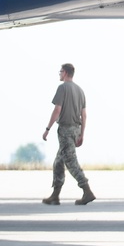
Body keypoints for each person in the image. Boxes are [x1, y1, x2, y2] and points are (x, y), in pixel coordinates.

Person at [41, 62, 95, 206]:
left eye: (60, 71)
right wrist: (82, 134)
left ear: (65, 72)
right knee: (59, 162)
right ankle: (55, 195)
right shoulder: (80, 90)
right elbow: (84, 115)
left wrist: (47, 129)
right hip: (76, 129)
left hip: (65, 130)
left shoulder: (62, 88)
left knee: (70, 162)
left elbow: (57, 110)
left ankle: (87, 190)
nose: (59, 74)